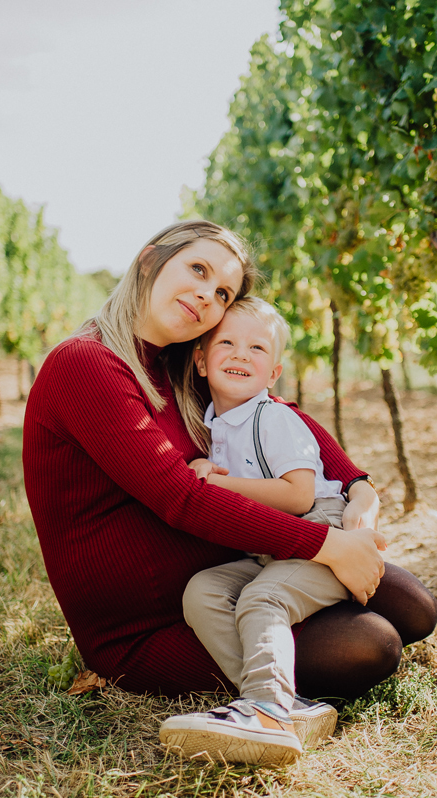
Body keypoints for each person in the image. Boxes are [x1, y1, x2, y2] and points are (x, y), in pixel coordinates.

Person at [22, 220, 437, 767]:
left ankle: (278, 682)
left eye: (222, 293)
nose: (207, 296)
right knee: (371, 645)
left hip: (237, 570)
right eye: (197, 269)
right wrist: (325, 545)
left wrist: (359, 488)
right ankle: (270, 705)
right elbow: (182, 499)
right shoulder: (85, 364)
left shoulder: (179, 364)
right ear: (149, 261)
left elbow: (277, 411)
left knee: (414, 606)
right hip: (154, 623)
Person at [157, 296, 373, 766]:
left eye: (256, 348)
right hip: (269, 548)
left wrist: (213, 482)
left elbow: (298, 495)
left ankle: (264, 708)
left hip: (321, 535)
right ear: (200, 361)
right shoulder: (214, 425)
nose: (240, 354)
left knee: (262, 599)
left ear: (273, 373)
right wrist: (205, 465)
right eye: (227, 343)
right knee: (202, 591)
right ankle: (282, 705)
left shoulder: (274, 418)